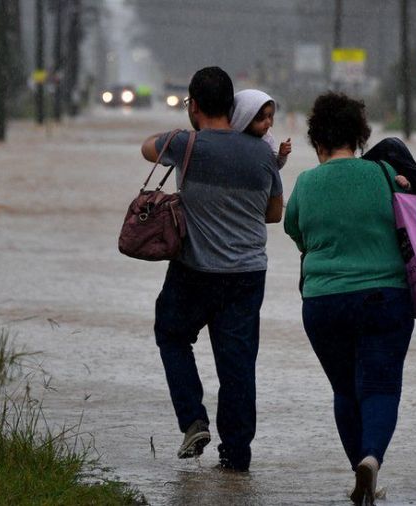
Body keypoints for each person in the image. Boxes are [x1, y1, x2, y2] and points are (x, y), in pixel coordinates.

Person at [140, 67, 284, 472]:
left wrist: (185, 133)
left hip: (194, 271)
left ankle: (193, 420)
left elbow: (146, 149)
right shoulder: (264, 154)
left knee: (171, 335)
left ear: (196, 105)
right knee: (237, 364)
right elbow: (273, 214)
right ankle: (237, 457)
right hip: (247, 275)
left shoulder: (185, 144)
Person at [283, 92, 414, 505]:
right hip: (385, 296)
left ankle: (358, 467)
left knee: (344, 389)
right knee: (380, 387)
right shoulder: (384, 174)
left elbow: (295, 231)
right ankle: (371, 460)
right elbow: (413, 221)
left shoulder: (306, 182)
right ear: (359, 137)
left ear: (316, 139)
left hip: (324, 302)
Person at [230, 89, 292, 169]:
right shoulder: (231, 141)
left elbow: (274, 167)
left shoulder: (267, 139)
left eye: (270, 116)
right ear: (244, 119)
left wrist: (282, 155)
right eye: (261, 118)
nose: (268, 122)